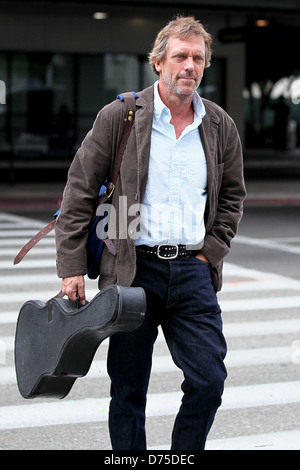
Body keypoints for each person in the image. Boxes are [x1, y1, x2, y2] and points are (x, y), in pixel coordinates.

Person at [55, 16, 246, 450]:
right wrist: (71, 269)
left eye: (198, 57)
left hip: (193, 270)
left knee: (209, 381)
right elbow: (80, 192)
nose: (190, 66)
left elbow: (233, 196)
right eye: (180, 56)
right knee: (128, 390)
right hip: (131, 271)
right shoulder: (121, 115)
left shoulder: (219, 125)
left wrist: (210, 251)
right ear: (158, 63)